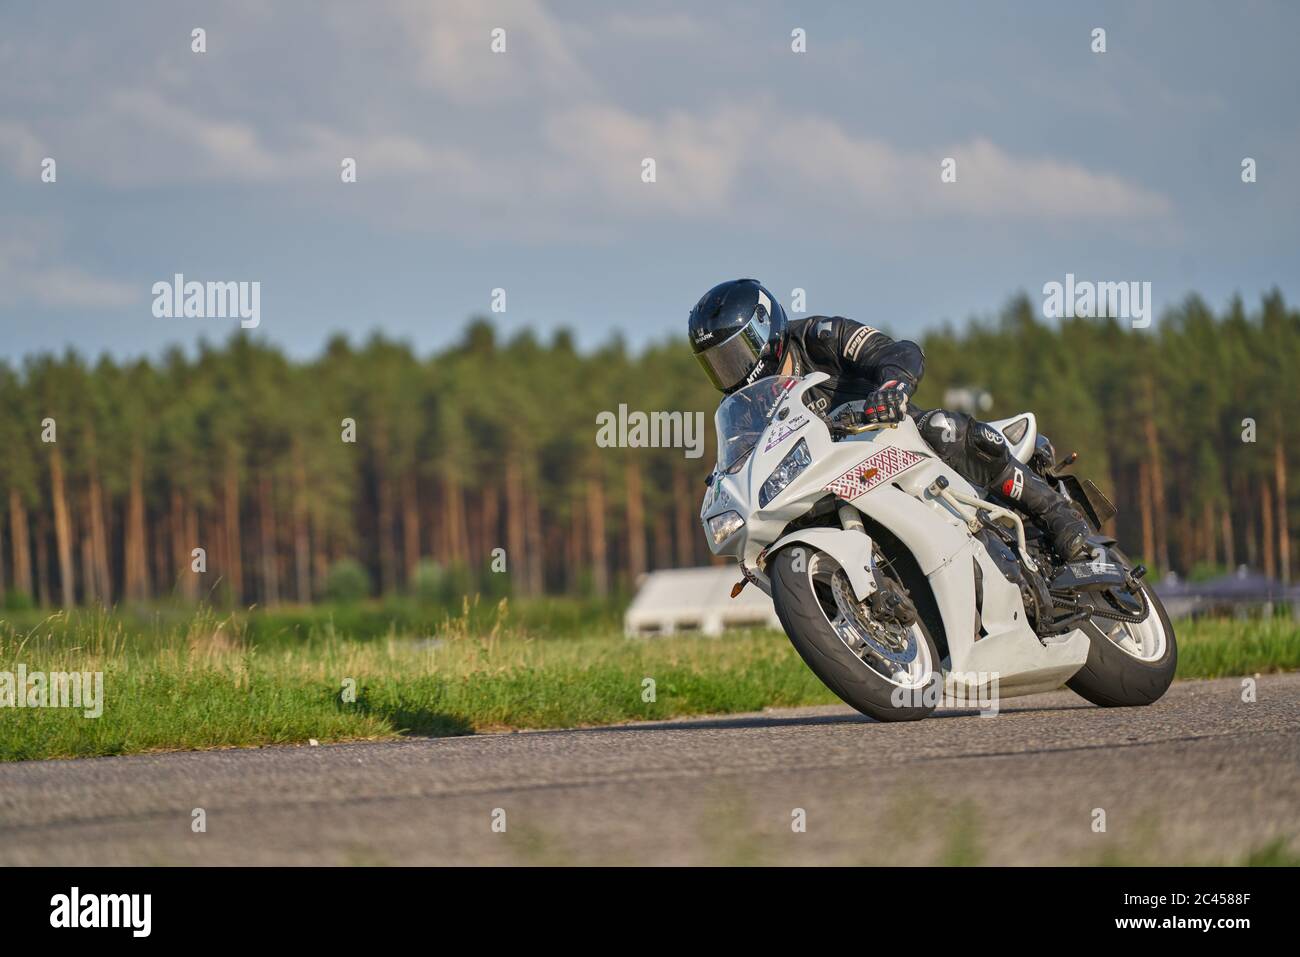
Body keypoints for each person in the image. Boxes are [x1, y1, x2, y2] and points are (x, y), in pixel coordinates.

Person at [688, 278, 1090, 561]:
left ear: (764, 328)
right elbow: (741, 460)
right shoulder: (748, 410)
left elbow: (895, 351)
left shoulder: (820, 336)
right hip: (836, 482)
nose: (730, 371)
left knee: (943, 429)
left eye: (735, 353)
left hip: (895, 441)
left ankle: (1060, 516)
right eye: (717, 363)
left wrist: (893, 386)